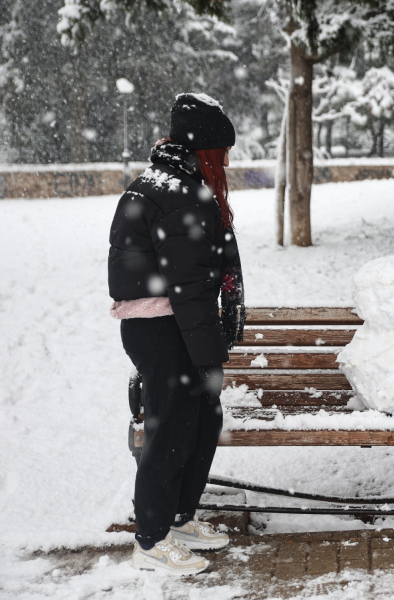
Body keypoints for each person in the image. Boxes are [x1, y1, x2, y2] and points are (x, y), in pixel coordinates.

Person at [108, 93, 247, 575]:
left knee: (201, 423)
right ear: (204, 149)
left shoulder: (174, 184)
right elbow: (189, 287)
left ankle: (179, 518)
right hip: (163, 328)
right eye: (221, 154)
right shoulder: (178, 194)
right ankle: (150, 539)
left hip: (174, 324)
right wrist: (210, 352)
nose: (224, 163)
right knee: (171, 431)